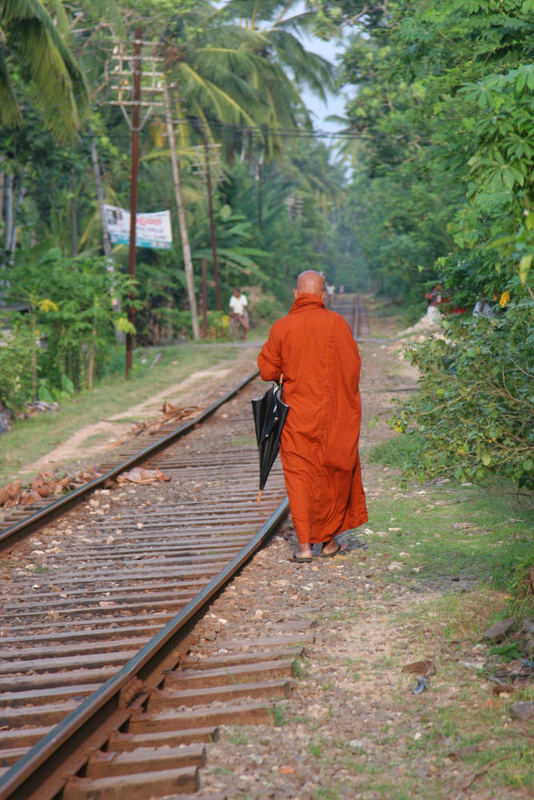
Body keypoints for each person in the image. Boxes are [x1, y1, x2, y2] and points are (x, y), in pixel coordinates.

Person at [257, 270, 368, 562]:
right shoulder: (338, 324)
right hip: (333, 415)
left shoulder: (282, 327)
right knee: (333, 470)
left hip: (296, 418)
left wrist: (289, 371)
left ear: (295, 295)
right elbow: (353, 369)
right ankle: (329, 542)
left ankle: (305, 547)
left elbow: (267, 371)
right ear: (323, 295)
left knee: (300, 477)